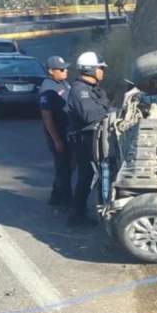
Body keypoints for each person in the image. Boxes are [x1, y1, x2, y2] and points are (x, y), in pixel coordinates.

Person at [65, 51, 113, 225]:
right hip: (83, 139)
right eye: (101, 68)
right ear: (91, 69)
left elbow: (103, 106)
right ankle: (76, 215)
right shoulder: (80, 90)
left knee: (91, 174)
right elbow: (89, 115)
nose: (103, 71)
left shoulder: (93, 88)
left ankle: (81, 210)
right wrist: (109, 111)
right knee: (87, 175)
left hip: (91, 137)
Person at [39, 56, 73, 207]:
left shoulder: (63, 83)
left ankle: (56, 196)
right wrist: (56, 139)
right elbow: (47, 116)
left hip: (68, 131)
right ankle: (66, 201)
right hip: (58, 133)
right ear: (51, 71)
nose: (65, 71)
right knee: (63, 168)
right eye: (61, 69)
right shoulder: (47, 88)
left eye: (65, 68)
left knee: (67, 166)